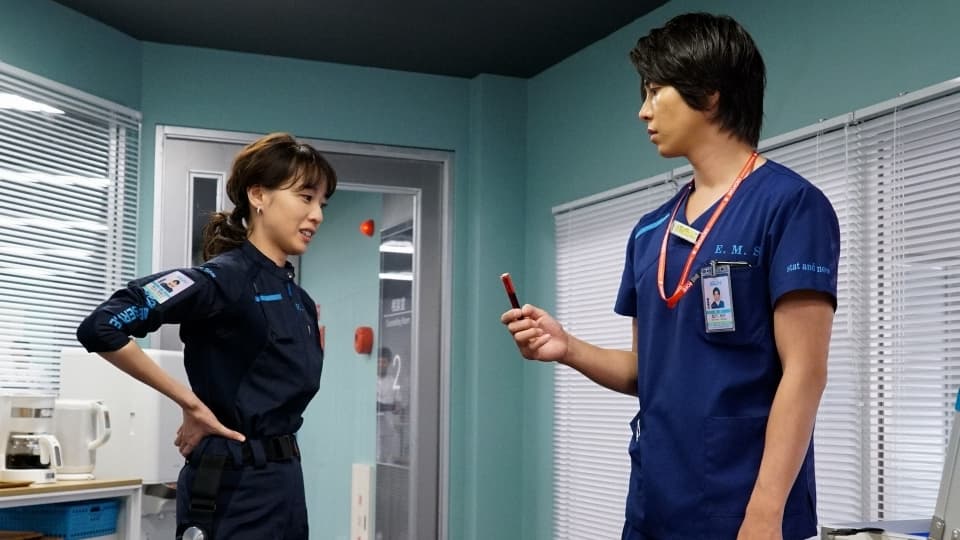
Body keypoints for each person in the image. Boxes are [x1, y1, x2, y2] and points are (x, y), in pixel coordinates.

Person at [501, 13, 839, 540]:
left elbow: (806, 371)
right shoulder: (650, 230)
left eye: (656, 91)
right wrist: (566, 348)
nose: (643, 111)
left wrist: (766, 512)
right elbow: (648, 373)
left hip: (743, 509)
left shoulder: (791, 207)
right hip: (653, 505)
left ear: (709, 95)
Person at [76, 132, 337, 539]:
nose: (317, 214)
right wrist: (191, 403)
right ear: (258, 195)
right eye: (305, 197)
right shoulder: (223, 279)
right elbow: (102, 325)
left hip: (284, 483)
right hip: (231, 485)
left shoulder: (299, 300)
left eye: (322, 203)